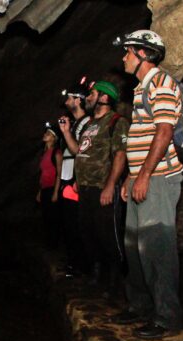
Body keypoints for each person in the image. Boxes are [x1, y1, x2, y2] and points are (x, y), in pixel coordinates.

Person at [111, 30, 183, 339]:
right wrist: (131, 175)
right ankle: (140, 305)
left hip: (159, 180)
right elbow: (141, 139)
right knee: (133, 246)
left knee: (157, 248)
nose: (124, 57)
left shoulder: (162, 84)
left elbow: (164, 133)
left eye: (128, 52)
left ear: (143, 54)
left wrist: (143, 176)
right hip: (143, 178)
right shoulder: (142, 87)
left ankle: (167, 318)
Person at [59, 81, 129, 291]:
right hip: (86, 188)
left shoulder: (116, 121)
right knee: (89, 233)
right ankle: (97, 275)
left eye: (92, 93)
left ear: (104, 98)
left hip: (103, 188)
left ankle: (115, 280)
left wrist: (110, 185)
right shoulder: (89, 125)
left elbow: (120, 155)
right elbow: (78, 150)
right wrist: (65, 133)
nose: (88, 97)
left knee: (108, 234)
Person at [58, 79, 92, 275]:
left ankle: (80, 264)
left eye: (70, 98)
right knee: (69, 222)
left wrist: (66, 133)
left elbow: (80, 151)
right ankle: (73, 260)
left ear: (78, 101)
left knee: (76, 224)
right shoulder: (75, 124)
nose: (66, 102)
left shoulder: (86, 123)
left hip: (77, 180)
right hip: (69, 178)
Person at [36, 123, 63, 250]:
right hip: (45, 188)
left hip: (53, 188)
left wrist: (56, 192)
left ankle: (55, 245)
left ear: (54, 138)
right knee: (46, 217)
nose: (45, 135)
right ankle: (49, 244)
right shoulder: (44, 153)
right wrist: (40, 191)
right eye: (45, 133)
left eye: (48, 133)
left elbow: (59, 173)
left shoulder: (56, 153)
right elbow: (43, 174)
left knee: (53, 218)